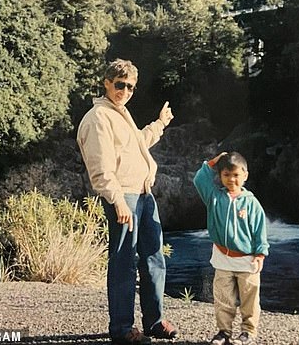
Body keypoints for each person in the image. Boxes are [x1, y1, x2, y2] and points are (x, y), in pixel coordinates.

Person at [77, 58, 179, 345]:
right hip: (125, 196)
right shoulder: (99, 118)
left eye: (130, 87)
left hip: (144, 194)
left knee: (153, 257)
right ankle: (122, 329)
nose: (125, 91)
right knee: (124, 262)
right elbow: (100, 168)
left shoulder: (120, 113)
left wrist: (160, 123)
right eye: (120, 84)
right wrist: (118, 201)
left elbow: (139, 143)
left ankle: (154, 322)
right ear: (107, 82)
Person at [193, 152, 269, 345]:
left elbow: (260, 230)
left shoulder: (251, 203)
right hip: (222, 258)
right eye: (226, 175)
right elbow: (200, 178)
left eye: (236, 175)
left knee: (249, 299)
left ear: (245, 175)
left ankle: (248, 332)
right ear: (220, 176)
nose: (231, 179)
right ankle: (223, 332)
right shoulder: (214, 197)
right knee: (223, 298)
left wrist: (260, 253)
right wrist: (216, 160)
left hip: (247, 259)